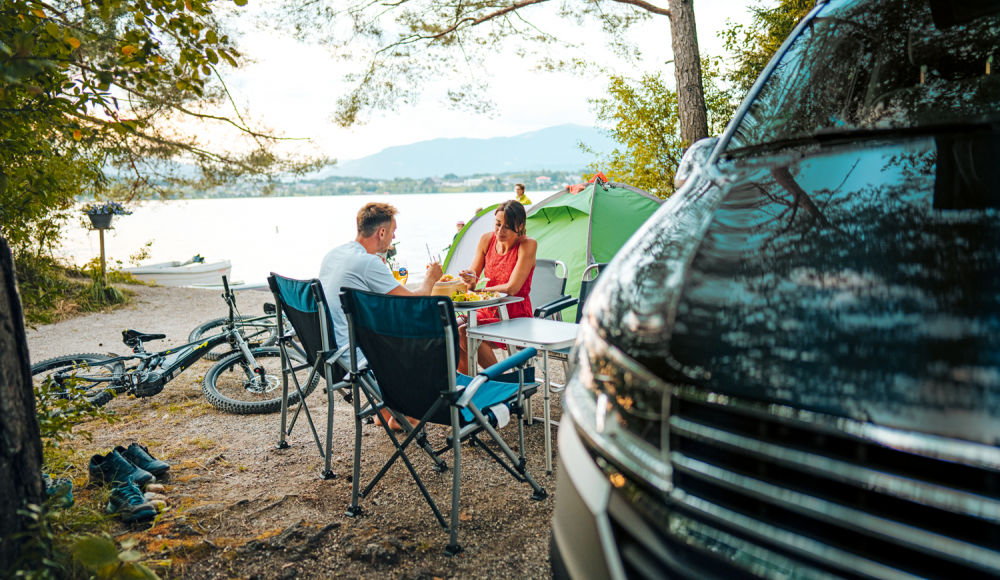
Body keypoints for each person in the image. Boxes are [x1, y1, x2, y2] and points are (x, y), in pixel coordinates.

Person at [319, 202, 444, 430]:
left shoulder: (335, 254)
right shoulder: (368, 263)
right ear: (382, 232)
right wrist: (431, 278)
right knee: (433, 342)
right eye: (393, 231)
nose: (394, 236)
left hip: (331, 348)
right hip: (359, 353)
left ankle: (384, 411)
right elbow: (411, 304)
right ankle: (407, 416)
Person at [456, 200, 537, 375]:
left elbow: (512, 288)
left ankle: (500, 381)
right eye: (498, 224)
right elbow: (473, 283)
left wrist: (479, 289)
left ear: (520, 225)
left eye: (507, 227)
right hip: (487, 310)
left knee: (463, 332)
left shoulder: (527, 245)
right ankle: (466, 386)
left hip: (515, 315)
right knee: (451, 328)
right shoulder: (486, 240)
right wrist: (469, 278)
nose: (500, 231)